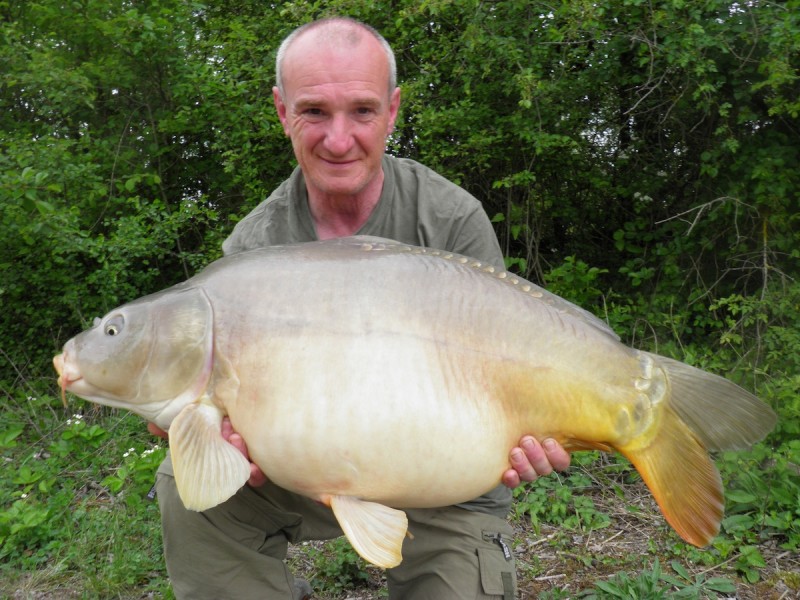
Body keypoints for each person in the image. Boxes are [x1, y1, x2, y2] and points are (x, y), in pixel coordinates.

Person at [152, 17, 570, 600]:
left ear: (394, 110)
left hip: (443, 479)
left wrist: (534, 433)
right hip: (305, 470)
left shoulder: (450, 220)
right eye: (315, 111)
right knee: (184, 483)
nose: (339, 139)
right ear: (281, 112)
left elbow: (504, 371)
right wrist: (207, 435)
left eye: (363, 111)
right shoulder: (255, 248)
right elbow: (208, 398)